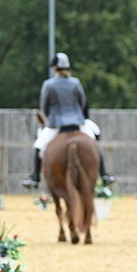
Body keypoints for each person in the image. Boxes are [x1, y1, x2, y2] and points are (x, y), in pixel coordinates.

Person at [21, 53, 116, 188]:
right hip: (77, 123)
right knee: (93, 145)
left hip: (56, 125)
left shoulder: (48, 84)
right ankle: (105, 175)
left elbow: (44, 107)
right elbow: (83, 103)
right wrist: (81, 118)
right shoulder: (75, 82)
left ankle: (35, 179)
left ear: (54, 68)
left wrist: (49, 119)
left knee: (38, 147)